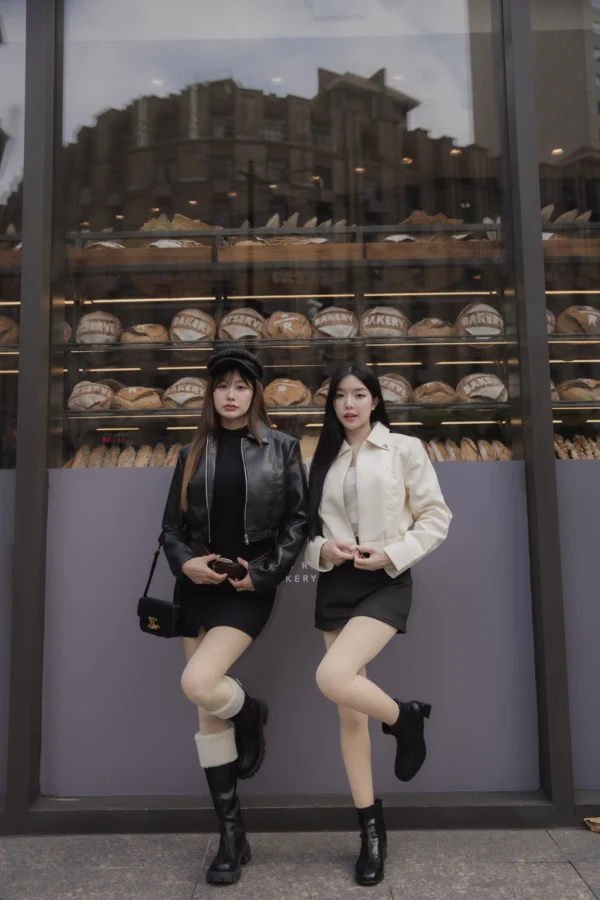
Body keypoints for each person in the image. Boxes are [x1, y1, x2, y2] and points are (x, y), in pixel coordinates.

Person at [162, 347, 307, 886]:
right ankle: (232, 836)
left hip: (247, 588)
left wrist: (263, 574)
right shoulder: (191, 452)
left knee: (200, 683)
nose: (230, 395)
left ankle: (249, 713)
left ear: (254, 393)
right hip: (196, 587)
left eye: (240, 386)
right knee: (206, 714)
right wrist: (186, 563)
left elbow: (298, 522)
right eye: (222, 385)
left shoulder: (282, 448)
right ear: (211, 393)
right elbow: (171, 529)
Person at [305, 362, 452, 887]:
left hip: (385, 580)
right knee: (349, 717)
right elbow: (303, 529)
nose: (349, 404)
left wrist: (392, 554)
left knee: (332, 676)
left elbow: (436, 517)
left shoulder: (404, 449)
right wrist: (322, 548)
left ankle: (404, 718)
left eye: (359, 395)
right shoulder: (317, 456)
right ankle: (371, 832)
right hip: (336, 584)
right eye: (340, 396)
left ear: (374, 401)